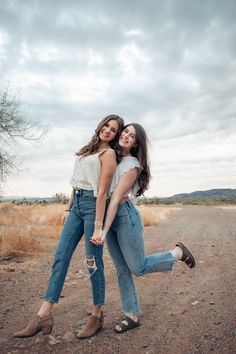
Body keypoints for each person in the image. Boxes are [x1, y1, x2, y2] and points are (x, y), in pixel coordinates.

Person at [13, 114, 124, 339]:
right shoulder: (87, 151)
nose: (108, 130)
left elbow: (102, 192)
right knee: (60, 257)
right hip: (76, 206)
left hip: (94, 208)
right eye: (107, 125)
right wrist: (68, 208)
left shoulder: (109, 154)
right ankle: (43, 315)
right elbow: (76, 183)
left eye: (113, 130)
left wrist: (98, 226)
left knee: (92, 261)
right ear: (101, 125)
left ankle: (97, 313)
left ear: (115, 136)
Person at [92, 123, 195, 333]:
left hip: (124, 217)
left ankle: (176, 253)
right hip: (108, 218)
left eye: (133, 135)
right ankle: (131, 315)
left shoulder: (131, 164)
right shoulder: (111, 156)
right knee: (122, 270)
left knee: (137, 267)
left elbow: (114, 201)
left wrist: (102, 228)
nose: (127, 136)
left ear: (136, 143)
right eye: (126, 131)